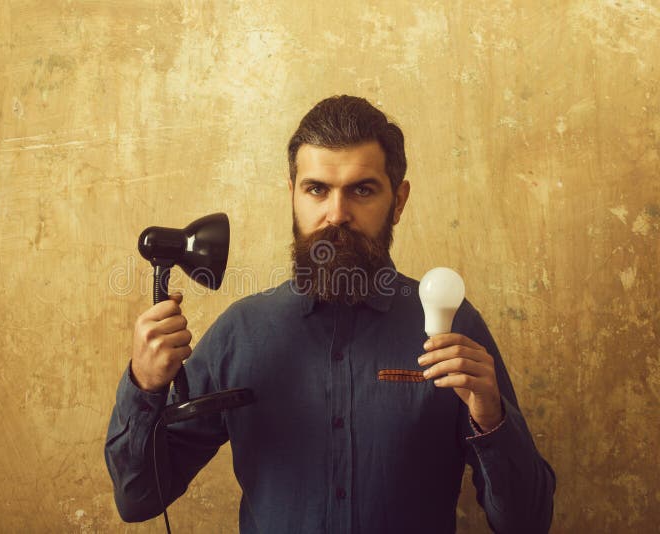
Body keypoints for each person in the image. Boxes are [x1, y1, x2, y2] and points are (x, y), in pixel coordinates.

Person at [105, 95, 556, 533]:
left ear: (398, 202)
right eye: (317, 189)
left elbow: (526, 523)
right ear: (293, 195)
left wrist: (492, 418)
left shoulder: (454, 327)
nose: (336, 214)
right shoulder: (242, 333)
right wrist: (144, 385)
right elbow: (138, 498)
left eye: (362, 190)